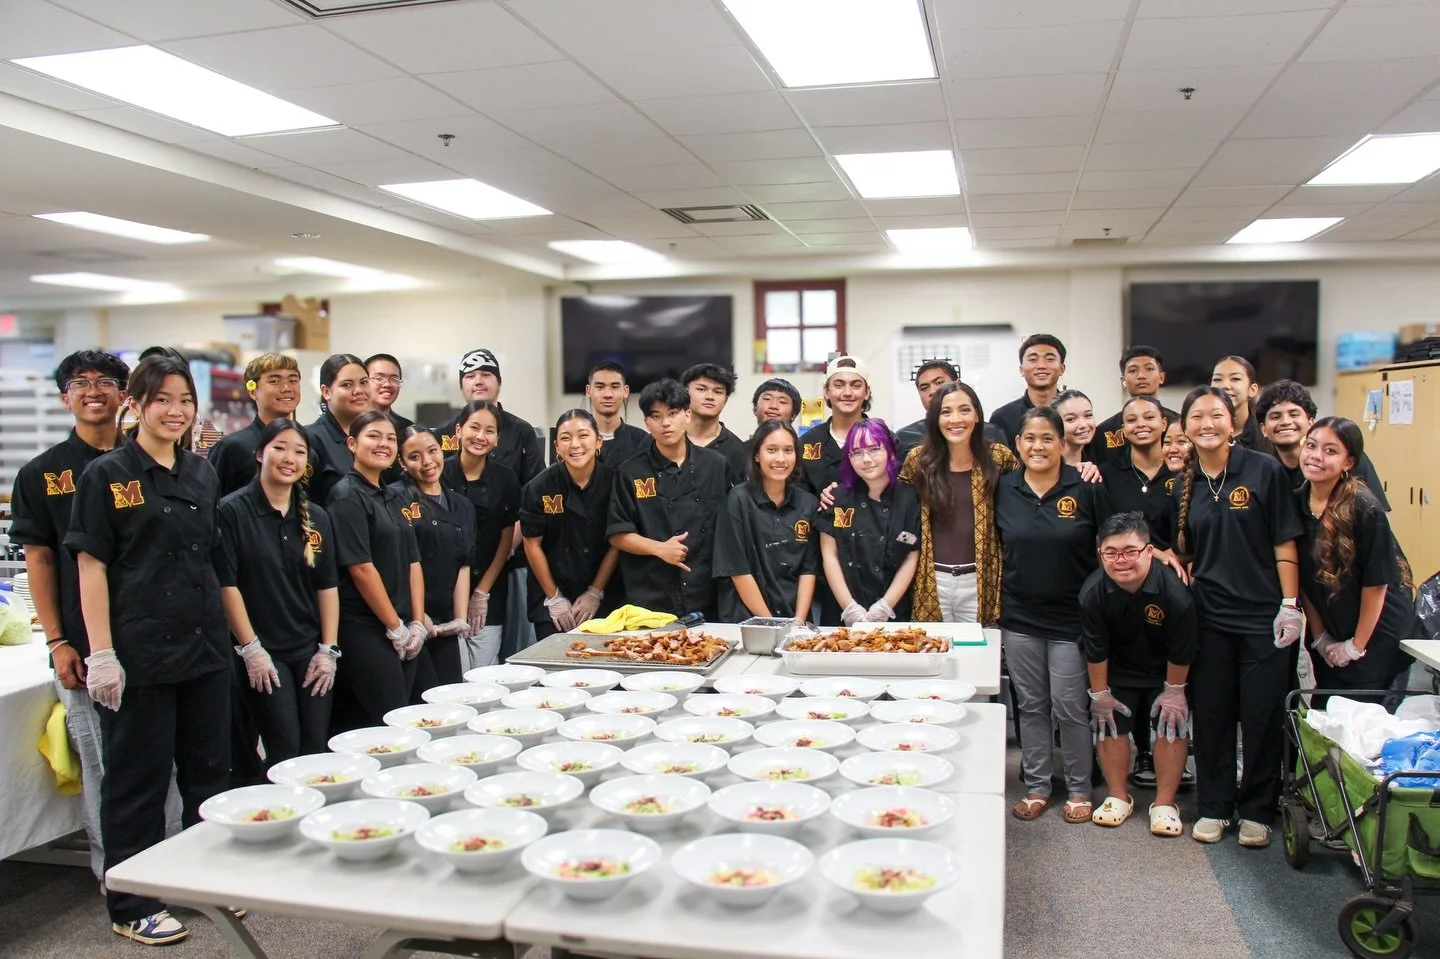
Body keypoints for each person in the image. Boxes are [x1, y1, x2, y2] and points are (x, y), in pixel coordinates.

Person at [65, 354, 230, 945]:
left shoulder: (201, 472)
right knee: (138, 779)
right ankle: (131, 902)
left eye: (185, 400)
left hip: (204, 644)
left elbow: (211, 559)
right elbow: (91, 566)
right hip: (140, 651)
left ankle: (202, 881)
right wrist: (101, 654)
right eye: (161, 399)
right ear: (136, 404)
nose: (175, 411)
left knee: (207, 774)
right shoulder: (107, 474)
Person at [8, 350, 146, 885]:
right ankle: (118, 878)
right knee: (103, 763)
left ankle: (167, 868)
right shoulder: (42, 474)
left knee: (162, 762)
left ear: (125, 394)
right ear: (64, 397)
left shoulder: (150, 461)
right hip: (85, 643)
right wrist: (57, 640)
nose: (94, 391)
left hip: (152, 634)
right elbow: (40, 560)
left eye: (106, 381)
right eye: (80, 383)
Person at [1170, 386, 1303, 848]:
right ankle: (1214, 805)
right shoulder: (1183, 483)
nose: (1206, 424)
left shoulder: (1263, 470)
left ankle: (1257, 809)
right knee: (1212, 715)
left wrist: (1290, 604)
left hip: (1263, 617)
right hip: (1209, 618)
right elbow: (1184, 551)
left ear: (1233, 423)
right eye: (1197, 417)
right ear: (1185, 427)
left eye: (1216, 415)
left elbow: (1285, 541)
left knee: (1262, 716)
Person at [996, 406, 1111, 824]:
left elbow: (1108, 546)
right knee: (1031, 705)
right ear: (1018, 444)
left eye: (1047, 438)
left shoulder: (1086, 486)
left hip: (1071, 618)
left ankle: (1079, 788)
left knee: (1069, 706)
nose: (1038, 446)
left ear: (1063, 443)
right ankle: (1038, 786)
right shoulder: (1004, 488)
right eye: (1030, 438)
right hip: (1019, 615)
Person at [216, 419, 341, 766]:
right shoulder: (231, 511)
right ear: (260, 454)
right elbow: (227, 586)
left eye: (299, 452)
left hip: (310, 648)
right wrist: (251, 649)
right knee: (285, 748)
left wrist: (328, 649)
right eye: (280, 448)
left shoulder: (316, 517)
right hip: (263, 651)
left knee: (315, 746)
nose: (289, 458)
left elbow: (327, 586)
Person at [1080, 512, 1197, 836]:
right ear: (1100, 553)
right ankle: (1118, 796)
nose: (1121, 561)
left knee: (1170, 724)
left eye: (1130, 551)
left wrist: (1174, 692)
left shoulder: (1176, 593)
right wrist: (1099, 694)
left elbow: (1182, 649)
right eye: (1111, 552)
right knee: (1109, 722)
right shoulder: (1092, 593)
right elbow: (1095, 649)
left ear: (1148, 552)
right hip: (1119, 668)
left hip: (1166, 669)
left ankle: (1165, 803)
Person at [1297, 417, 1416, 697]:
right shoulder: (1294, 503)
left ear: (1348, 462)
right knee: (1326, 706)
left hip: (1375, 630)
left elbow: (1377, 584)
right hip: (1331, 622)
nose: (1316, 456)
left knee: (1362, 711)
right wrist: (1320, 636)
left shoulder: (1365, 508)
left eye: (1330, 451)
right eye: (1311, 446)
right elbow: (1303, 578)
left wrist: (1356, 646)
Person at [326, 411, 426, 729]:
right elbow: (361, 568)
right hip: (365, 625)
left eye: (391, 438)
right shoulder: (345, 495)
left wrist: (417, 622)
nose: (384, 444)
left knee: (408, 714)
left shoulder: (394, 495)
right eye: (374, 436)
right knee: (390, 720)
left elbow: (413, 561)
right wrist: (395, 627)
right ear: (352, 444)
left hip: (403, 623)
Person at [607, 378, 734, 621]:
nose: (665, 423)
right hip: (651, 593)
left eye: (673, 414)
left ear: (687, 415)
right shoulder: (631, 472)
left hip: (707, 590)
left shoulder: (716, 465)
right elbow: (617, 533)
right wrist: (660, 548)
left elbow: (731, 526)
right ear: (647, 423)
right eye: (656, 416)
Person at [901, 381, 1017, 624]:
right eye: (946, 412)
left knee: (979, 646)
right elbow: (893, 503)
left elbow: (1030, 488)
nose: (956, 419)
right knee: (933, 647)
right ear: (935, 419)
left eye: (964, 410)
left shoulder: (999, 457)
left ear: (977, 415)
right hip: (932, 580)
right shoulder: (918, 461)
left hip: (980, 580)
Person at [520, 410, 621, 638]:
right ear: (556, 447)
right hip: (551, 594)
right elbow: (531, 544)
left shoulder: (616, 483)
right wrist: (554, 597)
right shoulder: (539, 487)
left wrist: (595, 591)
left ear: (598, 441)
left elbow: (618, 540)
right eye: (566, 438)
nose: (575, 445)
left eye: (583, 435)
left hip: (605, 595)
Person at [441, 401, 521, 669]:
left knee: (484, 671)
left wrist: (481, 593)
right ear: (458, 430)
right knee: (452, 673)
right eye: (474, 427)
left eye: (489, 431)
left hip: (488, 587)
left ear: (497, 438)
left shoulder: (506, 478)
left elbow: (505, 539)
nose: (480, 436)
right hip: (443, 592)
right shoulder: (439, 473)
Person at [714, 420, 820, 622]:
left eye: (788, 450)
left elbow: (808, 569)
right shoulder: (737, 500)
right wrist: (771, 623)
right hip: (747, 619)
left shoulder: (808, 504)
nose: (780, 459)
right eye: (772, 450)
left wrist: (798, 622)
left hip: (795, 619)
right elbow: (738, 570)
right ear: (756, 454)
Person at [817, 419, 921, 625]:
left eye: (874, 449)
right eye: (857, 452)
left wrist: (885, 605)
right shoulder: (836, 498)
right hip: (842, 611)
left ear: (891, 452)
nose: (866, 459)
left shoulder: (909, 498)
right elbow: (830, 555)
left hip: (893, 611)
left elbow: (911, 555)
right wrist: (849, 607)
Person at [392, 427, 474, 686]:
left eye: (432, 451)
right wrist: (418, 616)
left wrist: (459, 618)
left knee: (450, 695)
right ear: (402, 462)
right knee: (419, 696)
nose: (427, 462)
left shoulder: (462, 504)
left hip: (446, 621)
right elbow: (397, 564)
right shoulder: (394, 499)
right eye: (414, 457)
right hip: (408, 622)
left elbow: (464, 563)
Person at [208, 352, 329, 497]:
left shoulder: (307, 449)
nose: (286, 388)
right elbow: (212, 502)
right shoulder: (232, 448)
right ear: (252, 391)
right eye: (274, 381)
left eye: (293, 380)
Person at [1256, 379, 1389, 509]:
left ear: (1311, 422)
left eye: (1294, 414)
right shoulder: (1263, 467)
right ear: (1263, 429)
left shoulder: (1344, 457)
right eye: (1275, 417)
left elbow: (1377, 513)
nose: (1285, 422)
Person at [435, 348, 544, 485]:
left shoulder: (522, 431)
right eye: (470, 376)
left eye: (486, 375)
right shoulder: (442, 435)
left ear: (499, 382)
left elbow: (537, 486)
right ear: (461, 386)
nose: (478, 381)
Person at [1097, 396, 1177, 551]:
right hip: (1124, 560)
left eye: (1149, 417)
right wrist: (1156, 554)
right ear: (1123, 430)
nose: (1140, 424)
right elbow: (1104, 534)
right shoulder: (1105, 475)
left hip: (1176, 563)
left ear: (1164, 423)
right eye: (1132, 420)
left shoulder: (1180, 472)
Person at [895, 359, 1007, 460]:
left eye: (939, 383)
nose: (932, 391)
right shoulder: (905, 438)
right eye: (924, 388)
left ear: (957, 383)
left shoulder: (991, 434)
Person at [797, 355, 871, 496]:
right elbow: (798, 495)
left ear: (867, 392)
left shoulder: (885, 440)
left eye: (856, 385)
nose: (847, 393)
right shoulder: (808, 443)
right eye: (839, 385)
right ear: (826, 391)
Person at [1090, 347, 1179, 463]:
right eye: (1133, 371)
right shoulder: (1104, 432)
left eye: (1149, 369)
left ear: (1161, 377)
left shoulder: (1179, 424)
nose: (1141, 375)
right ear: (1123, 381)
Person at [307, 353, 371, 503]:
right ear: (326, 392)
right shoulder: (311, 439)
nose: (358, 390)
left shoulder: (376, 436)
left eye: (364, 382)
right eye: (347, 385)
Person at [990, 334, 1067, 453]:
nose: (1041, 366)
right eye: (1032, 360)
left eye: (1050, 359)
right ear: (1021, 370)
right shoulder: (1002, 417)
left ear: (1062, 368)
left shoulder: (1073, 414)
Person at [682, 362, 749, 480]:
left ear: (725, 400)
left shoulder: (738, 451)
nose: (710, 397)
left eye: (718, 392)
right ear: (686, 393)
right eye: (701, 389)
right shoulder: (665, 440)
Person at [586, 361, 648, 468]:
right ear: (588, 391)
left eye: (615, 387)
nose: (608, 394)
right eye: (600, 387)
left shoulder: (642, 441)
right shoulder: (578, 441)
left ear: (625, 391)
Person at [1210, 355, 1265, 450]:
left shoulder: (1266, 433)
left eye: (1235, 379)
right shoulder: (1201, 430)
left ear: (1252, 389)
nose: (1225, 385)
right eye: (1217, 379)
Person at [365, 353, 413, 433]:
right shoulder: (348, 423)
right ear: (364, 382)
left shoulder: (408, 430)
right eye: (379, 378)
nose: (387, 384)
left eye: (394, 379)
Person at [1053, 389, 1098, 467]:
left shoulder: (1099, 458)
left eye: (1088, 415)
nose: (1083, 425)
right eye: (1071, 419)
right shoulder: (1045, 464)